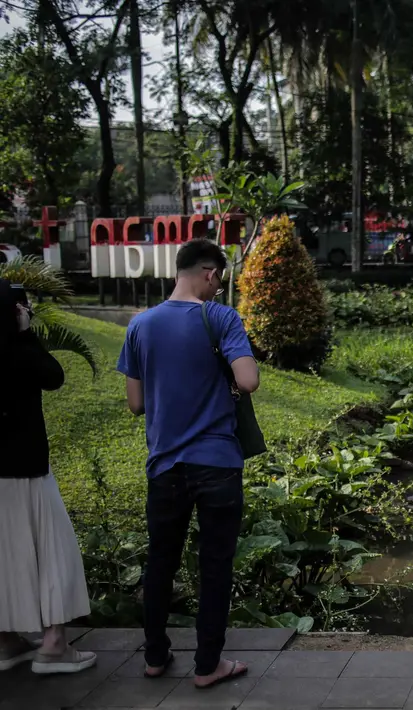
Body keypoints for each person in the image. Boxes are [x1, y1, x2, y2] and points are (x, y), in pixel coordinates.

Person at [117, 240, 260, 688]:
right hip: (217, 463)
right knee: (215, 565)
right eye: (217, 281)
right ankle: (207, 666)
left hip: (165, 467)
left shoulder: (140, 325)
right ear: (210, 273)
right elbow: (248, 380)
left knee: (161, 562)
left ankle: (156, 658)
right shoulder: (220, 316)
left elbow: (136, 404)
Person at [0, 280, 95, 675]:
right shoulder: (18, 351)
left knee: (7, 556)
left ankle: (6, 641)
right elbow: (53, 375)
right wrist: (26, 334)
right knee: (53, 551)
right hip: (27, 467)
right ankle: (54, 643)